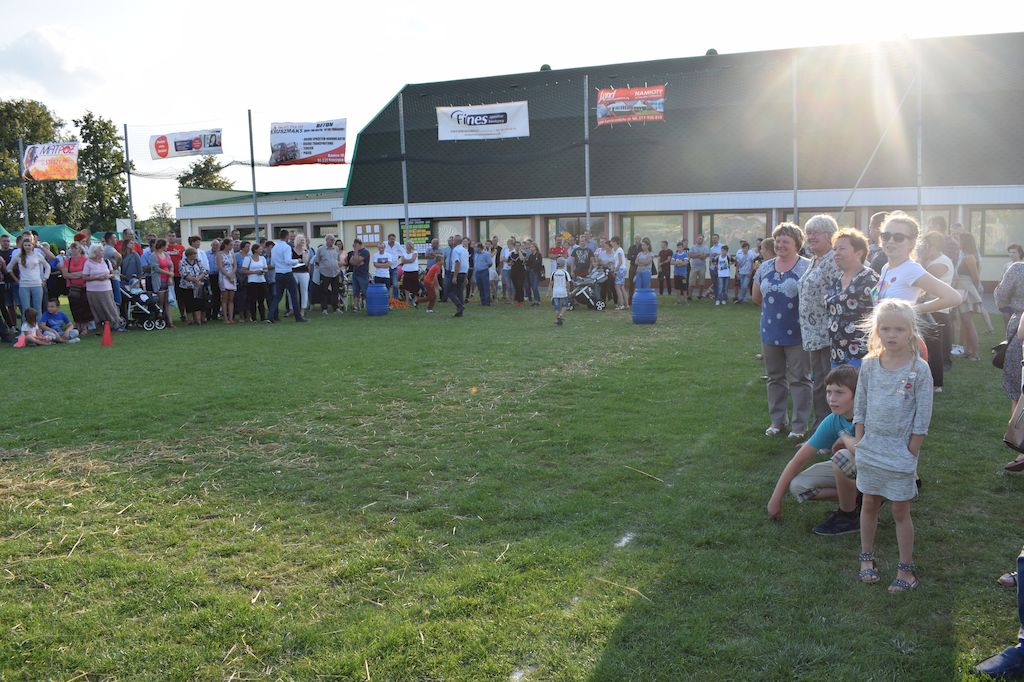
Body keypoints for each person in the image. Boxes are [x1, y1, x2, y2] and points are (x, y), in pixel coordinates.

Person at [852, 298, 933, 593]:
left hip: (900, 452)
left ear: (911, 331)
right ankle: (866, 558)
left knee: (900, 510)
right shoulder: (869, 365)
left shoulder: (919, 369)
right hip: (871, 449)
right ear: (877, 330)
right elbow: (860, 406)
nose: (892, 334)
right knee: (869, 503)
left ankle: (905, 569)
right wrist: (860, 440)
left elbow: (922, 416)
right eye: (885, 328)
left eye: (899, 329)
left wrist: (911, 451)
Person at [766, 365, 861, 535]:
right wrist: (775, 499)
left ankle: (849, 516)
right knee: (798, 487)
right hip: (857, 473)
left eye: (839, 392)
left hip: (879, 473)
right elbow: (798, 461)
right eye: (829, 392)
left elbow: (861, 450)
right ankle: (861, 499)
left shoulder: (869, 416)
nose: (832, 399)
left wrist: (843, 437)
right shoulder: (833, 420)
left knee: (841, 457)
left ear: (857, 395)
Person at [753, 223, 812, 439]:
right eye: (777, 241)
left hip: (798, 334)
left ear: (797, 244)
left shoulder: (807, 267)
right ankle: (777, 421)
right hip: (770, 332)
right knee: (775, 378)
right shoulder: (765, 267)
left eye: (785, 241)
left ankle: (799, 426)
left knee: (800, 379)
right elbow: (756, 297)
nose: (780, 245)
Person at [798, 215, 842, 424]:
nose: (811, 237)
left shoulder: (833, 261)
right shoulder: (815, 259)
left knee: (828, 381)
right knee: (818, 380)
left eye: (816, 233)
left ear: (830, 236)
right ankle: (821, 425)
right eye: (809, 233)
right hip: (812, 333)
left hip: (827, 333)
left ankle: (829, 426)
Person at [827, 228, 879, 368]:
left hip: (862, 356)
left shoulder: (871, 280)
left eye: (842, 248)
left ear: (859, 253)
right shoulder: (837, 280)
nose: (836, 253)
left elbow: (881, 313)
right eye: (835, 249)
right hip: (836, 354)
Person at [918, 231, 956, 391]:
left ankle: (936, 383)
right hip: (932, 308)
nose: (922, 249)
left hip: (937, 310)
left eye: (924, 246)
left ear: (932, 246)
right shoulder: (937, 261)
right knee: (932, 348)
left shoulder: (941, 262)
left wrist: (920, 259)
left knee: (934, 349)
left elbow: (920, 281)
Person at [955, 232, 985, 360]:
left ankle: (975, 354)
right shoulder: (965, 256)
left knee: (968, 324)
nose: (957, 243)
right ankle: (968, 350)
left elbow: (976, 278)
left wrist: (972, 292)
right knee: (965, 323)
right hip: (963, 290)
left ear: (965, 242)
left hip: (967, 291)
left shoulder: (969, 257)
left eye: (959, 240)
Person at [82, 244, 122, 331]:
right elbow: (84, 277)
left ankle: (115, 324)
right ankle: (100, 325)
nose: (103, 252)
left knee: (110, 307)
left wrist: (108, 276)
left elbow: (112, 274)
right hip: (93, 290)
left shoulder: (106, 261)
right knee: (97, 308)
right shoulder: (88, 263)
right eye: (100, 250)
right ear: (95, 252)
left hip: (106, 289)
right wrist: (97, 278)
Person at [269, 230, 305, 323]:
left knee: (277, 296)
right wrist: (297, 261)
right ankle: (298, 317)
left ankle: (270, 316)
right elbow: (288, 261)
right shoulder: (287, 247)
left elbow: (272, 263)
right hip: (287, 273)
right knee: (294, 295)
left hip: (278, 274)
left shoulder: (274, 247)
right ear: (286, 236)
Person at [10, 235, 51, 315]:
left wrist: (45, 279)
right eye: (25, 245)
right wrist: (16, 279)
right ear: (22, 246)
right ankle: (26, 323)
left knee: (37, 308)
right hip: (24, 285)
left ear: (32, 246)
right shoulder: (19, 256)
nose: (27, 247)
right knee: (25, 308)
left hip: (37, 284)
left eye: (29, 245)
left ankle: (38, 323)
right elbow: (9, 268)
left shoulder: (38, 255)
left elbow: (47, 267)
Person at [179, 247, 208, 326]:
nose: (195, 255)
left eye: (195, 254)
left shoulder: (198, 261)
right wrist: (195, 280)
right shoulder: (182, 262)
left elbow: (204, 271)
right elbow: (185, 275)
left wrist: (198, 279)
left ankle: (199, 320)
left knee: (199, 302)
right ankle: (190, 320)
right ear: (189, 255)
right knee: (189, 303)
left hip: (198, 286)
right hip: (187, 286)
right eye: (194, 254)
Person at [242, 242, 269, 322]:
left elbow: (266, 269)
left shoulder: (262, 258)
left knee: (261, 300)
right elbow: (244, 270)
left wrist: (263, 271)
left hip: (262, 281)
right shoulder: (248, 258)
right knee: (253, 300)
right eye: (260, 249)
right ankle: (253, 317)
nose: (261, 250)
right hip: (252, 281)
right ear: (255, 250)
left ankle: (263, 317)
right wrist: (254, 272)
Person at [165, 232, 186, 322]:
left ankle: (182, 314)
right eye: (169, 236)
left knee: (181, 297)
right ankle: (166, 316)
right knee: (167, 296)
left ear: (176, 237)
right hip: (167, 275)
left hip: (179, 275)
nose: (171, 237)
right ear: (167, 237)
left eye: (173, 236)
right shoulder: (165, 248)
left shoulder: (181, 248)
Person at [218, 239, 237, 325]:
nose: (231, 247)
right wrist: (228, 275)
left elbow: (235, 265)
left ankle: (231, 318)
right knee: (225, 298)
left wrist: (232, 274)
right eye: (230, 245)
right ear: (225, 245)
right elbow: (220, 267)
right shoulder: (219, 254)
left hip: (232, 277)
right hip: (224, 277)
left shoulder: (232, 254)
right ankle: (225, 318)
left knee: (231, 299)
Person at [291, 235, 312, 315]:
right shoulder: (291, 250)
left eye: (303, 241)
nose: (302, 242)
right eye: (301, 240)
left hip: (304, 273)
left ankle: (302, 309)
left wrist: (304, 253)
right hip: (294, 272)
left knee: (304, 291)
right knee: (292, 291)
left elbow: (305, 262)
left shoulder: (306, 251)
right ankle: (292, 308)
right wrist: (296, 260)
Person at [450, 235, 469, 317]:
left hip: (457, 272)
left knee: (450, 292)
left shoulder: (456, 250)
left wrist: (455, 276)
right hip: (463, 273)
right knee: (459, 292)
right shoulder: (465, 250)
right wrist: (466, 276)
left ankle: (459, 305)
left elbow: (457, 263)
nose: (452, 242)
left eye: (453, 240)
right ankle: (460, 311)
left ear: (456, 241)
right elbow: (466, 264)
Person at [348, 239, 370, 311]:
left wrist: (356, 255)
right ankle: (356, 306)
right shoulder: (355, 252)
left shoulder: (365, 252)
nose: (354, 246)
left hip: (363, 275)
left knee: (365, 291)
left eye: (355, 245)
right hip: (355, 274)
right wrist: (356, 261)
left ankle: (369, 306)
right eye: (353, 245)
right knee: (355, 291)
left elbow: (356, 260)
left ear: (360, 244)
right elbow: (351, 261)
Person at [688, 233, 710, 300]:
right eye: (699, 238)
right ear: (696, 239)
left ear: (703, 240)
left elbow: (704, 257)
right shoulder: (692, 247)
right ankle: (689, 296)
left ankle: (700, 296)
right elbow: (690, 255)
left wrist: (695, 255)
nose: (700, 240)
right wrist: (699, 254)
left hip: (702, 267)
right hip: (694, 267)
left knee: (701, 283)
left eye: (701, 239)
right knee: (691, 282)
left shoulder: (705, 247)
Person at [400, 241, 421, 306]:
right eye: (406, 245)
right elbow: (402, 261)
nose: (407, 246)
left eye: (408, 245)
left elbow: (412, 260)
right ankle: (407, 300)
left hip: (414, 271)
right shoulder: (404, 252)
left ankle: (415, 299)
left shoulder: (415, 252)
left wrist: (406, 261)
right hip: (406, 271)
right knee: (406, 286)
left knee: (415, 286)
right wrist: (407, 261)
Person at [204, 238, 221, 320]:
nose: (215, 246)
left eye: (217, 245)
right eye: (214, 245)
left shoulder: (221, 254)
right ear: (211, 245)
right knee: (209, 296)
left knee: (217, 295)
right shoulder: (206, 254)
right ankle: (207, 314)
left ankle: (215, 314)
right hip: (209, 276)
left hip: (218, 276)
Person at [550, 257, 570, 326]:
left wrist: (549, 292)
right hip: (563, 291)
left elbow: (551, 283)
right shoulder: (565, 273)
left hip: (555, 292)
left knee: (557, 307)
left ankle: (557, 319)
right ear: (564, 265)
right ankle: (560, 315)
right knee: (565, 305)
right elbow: (568, 283)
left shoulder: (554, 272)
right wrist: (568, 291)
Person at [610, 236, 628, 310]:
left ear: (615, 242)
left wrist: (615, 270)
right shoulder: (616, 250)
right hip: (621, 269)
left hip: (620, 270)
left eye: (612, 241)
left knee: (617, 287)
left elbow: (620, 262)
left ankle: (621, 305)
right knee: (622, 287)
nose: (611, 243)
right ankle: (626, 304)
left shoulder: (619, 250)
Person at [525, 242, 543, 306]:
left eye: (532, 247)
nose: (531, 248)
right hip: (531, 272)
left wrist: (532, 265)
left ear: (535, 247)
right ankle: (536, 300)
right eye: (530, 247)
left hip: (536, 272)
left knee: (535, 286)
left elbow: (539, 263)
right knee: (532, 286)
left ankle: (538, 300)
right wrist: (525, 261)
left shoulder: (539, 255)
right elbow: (528, 263)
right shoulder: (531, 255)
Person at [509, 241, 526, 306]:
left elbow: (522, 259)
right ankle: (517, 300)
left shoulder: (523, 253)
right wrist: (510, 263)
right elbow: (509, 262)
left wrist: (519, 251)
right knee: (516, 286)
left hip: (521, 272)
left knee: (520, 286)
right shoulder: (511, 254)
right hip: (513, 272)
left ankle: (521, 301)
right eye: (516, 246)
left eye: (519, 245)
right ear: (514, 246)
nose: (517, 247)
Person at [672, 240, 689, 305]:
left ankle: (685, 300)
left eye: (680, 247)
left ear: (683, 247)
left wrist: (678, 263)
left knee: (684, 288)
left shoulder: (685, 254)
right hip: (676, 274)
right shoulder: (675, 254)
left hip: (683, 274)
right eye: (678, 247)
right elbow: (671, 262)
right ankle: (678, 300)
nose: (679, 248)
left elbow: (686, 263)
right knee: (677, 288)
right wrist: (679, 263)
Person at [707, 233, 723, 300]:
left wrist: (718, 255)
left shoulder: (723, 246)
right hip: (713, 269)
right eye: (713, 238)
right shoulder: (711, 249)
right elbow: (710, 259)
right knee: (715, 283)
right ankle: (716, 297)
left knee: (721, 283)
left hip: (721, 268)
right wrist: (709, 268)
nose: (714, 239)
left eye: (715, 238)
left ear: (718, 239)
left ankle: (722, 297)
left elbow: (727, 256)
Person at [500, 238, 514, 302]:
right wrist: (508, 260)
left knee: (512, 285)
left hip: (513, 269)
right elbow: (502, 258)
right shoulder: (505, 250)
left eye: (509, 243)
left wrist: (508, 260)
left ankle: (513, 298)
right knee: (508, 284)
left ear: (512, 244)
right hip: (505, 269)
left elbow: (513, 260)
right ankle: (509, 298)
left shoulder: (514, 251)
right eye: (508, 243)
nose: (508, 244)